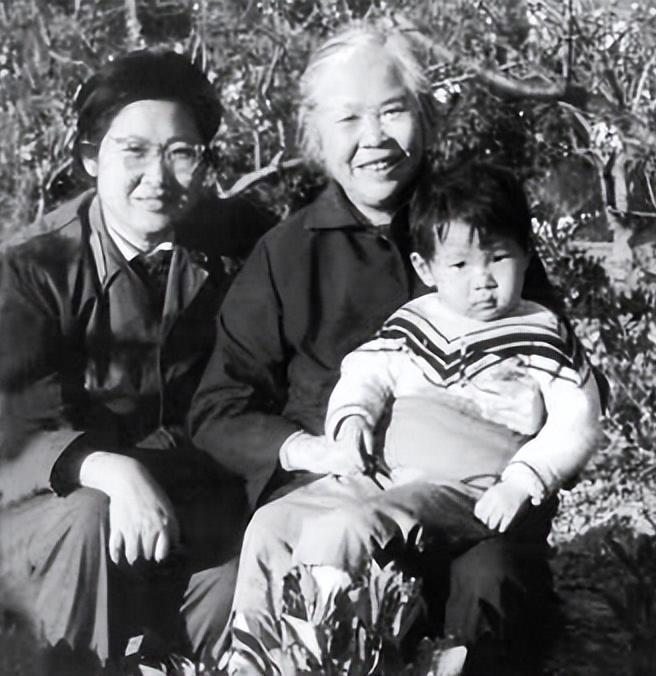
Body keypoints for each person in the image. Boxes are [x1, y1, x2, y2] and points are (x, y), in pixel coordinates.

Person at [190, 23, 593, 675]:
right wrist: (317, 448)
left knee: (488, 589)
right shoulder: (285, 255)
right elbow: (220, 410)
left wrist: (520, 435)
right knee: (285, 554)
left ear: (425, 117)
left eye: (392, 111)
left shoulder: (476, 230)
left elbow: (569, 379)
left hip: (471, 503)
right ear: (317, 136)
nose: (373, 138)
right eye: (349, 119)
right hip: (336, 496)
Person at [0, 50, 268, 674]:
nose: (157, 177)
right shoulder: (37, 263)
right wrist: (107, 469)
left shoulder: (237, 243)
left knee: (240, 574)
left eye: (181, 153)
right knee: (91, 515)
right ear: (91, 158)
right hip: (38, 505)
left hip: (177, 500)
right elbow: (8, 417)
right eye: (133, 151)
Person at [284, 161, 602, 586]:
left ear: (526, 253)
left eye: (498, 258)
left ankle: (332, 626)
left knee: (351, 529)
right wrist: (353, 417)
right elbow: (366, 371)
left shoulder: (540, 332)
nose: (482, 280)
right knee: (275, 525)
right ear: (425, 268)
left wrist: (523, 481)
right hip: (386, 476)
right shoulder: (415, 320)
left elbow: (577, 419)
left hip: (465, 488)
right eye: (460, 265)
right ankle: (253, 629)